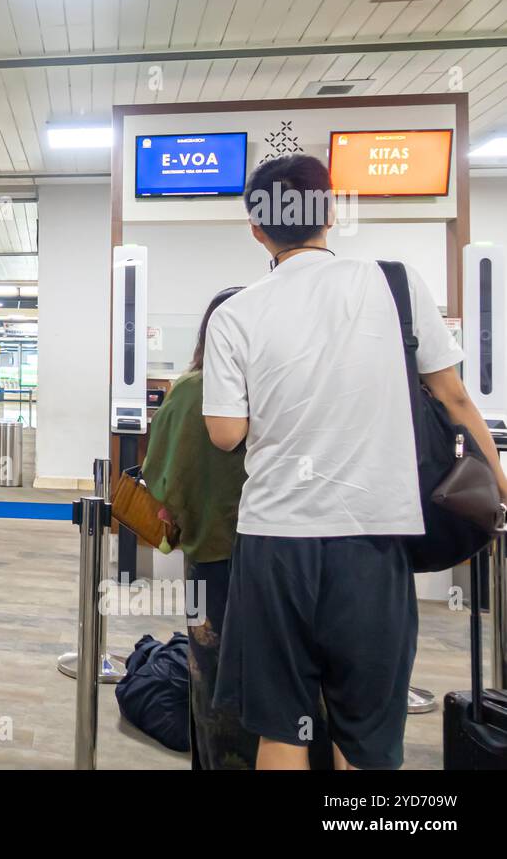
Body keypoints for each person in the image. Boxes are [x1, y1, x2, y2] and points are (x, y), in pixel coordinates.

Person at [201, 153, 507, 770]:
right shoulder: (396, 284)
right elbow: (452, 397)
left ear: (257, 228)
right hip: (374, 537)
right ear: (330, 213)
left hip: (275, 540)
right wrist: (500, 489)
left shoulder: (235, 313)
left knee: (280, 727)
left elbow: (227, 433)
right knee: (365, 734)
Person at [141, 287, 258, 769]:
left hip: (210, 556)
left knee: (210, 668)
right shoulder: (280, 385)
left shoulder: (192, 390)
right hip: (286, 555)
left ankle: (217, 759)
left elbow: (162, 483)